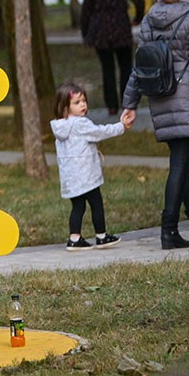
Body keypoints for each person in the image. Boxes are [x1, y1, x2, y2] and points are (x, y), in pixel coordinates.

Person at [121, 0, 189, 250]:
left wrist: (130, 102)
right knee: (180, 164)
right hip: (187, 95)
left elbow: (141, 64)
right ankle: (169, 228)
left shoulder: (150, 17)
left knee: (182, 161)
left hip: (160, 96)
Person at [51, 82, 129, 251]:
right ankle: (101, 236)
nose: (83, 105)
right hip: (86, 176)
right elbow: (101, 132)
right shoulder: (80, 124)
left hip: (71, 177)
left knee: (78, 206)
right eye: (77, 102)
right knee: (96, 204)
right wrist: (121, 126)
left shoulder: (60, 126)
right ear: (65, 106)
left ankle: (74, 238)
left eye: (84, 101)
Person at [80, 0, 146, 114]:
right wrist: (137, 18)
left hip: (100, 34)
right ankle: (127, 104)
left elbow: (85, 12)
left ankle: (111, 106)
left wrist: (85, 33)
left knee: (107, 69)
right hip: (121, 31)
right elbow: (139, 0)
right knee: (125, 68)